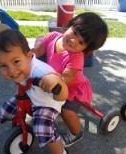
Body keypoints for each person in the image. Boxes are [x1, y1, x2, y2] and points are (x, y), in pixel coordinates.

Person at [32, 12, 108, 147]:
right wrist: (27, 55)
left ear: (86, 49)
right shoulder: (53, 37)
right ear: (69, 25)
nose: (73, 41)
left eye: (81, 42)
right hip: (55, 82)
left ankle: (76, 133)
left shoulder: (76, 57)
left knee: (66, 111)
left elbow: (68, 75)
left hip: (73, 88)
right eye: (74, 32)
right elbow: (38, 50)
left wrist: (56, 79)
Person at [0, 29, 69, 154]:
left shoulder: (41, 72)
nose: (11, 71)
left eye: (16, 61)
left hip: (47, 103)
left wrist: (56, 81)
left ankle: (61, 152)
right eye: (3, 66)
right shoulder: (21, 68)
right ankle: (15, 125)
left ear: (28, 56)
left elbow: (63, 97)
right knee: (6, 108)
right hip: (32, 95)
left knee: (42, 129)